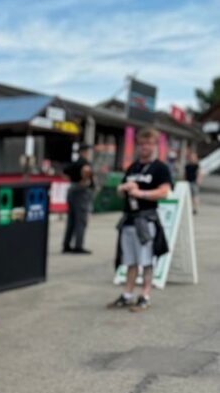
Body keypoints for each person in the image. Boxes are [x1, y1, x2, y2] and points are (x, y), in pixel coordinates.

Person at [108, 128, 172, 312]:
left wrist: (141, 193)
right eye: (142, 143)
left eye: (149, 143)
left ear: (154, 145)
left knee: (146, 261)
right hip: (129, 220)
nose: (145, 147)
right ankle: (127, 294)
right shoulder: (133, 167)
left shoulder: (160, 168)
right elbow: (121, 189)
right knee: (129, 260)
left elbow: (165, 191)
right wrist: (123, 188)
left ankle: (145, 296)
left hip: (146, 221)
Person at [62, 144, 94, 254]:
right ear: (84, 152)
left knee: (71, 220)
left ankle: (66, 244)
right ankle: (78, 245)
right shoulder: (84, 163)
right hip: (81, 192)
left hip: (72, 190)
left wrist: (73, 181)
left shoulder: (74, 163)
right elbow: (86, 171)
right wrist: (85, 182)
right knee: (80, 220)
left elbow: (65, 172)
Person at [184, 150, 201, 214]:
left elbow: (199, 173)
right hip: (188, 182)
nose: (192, 159)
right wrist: (184, 180)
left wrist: (198, 180)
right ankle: (190, 208)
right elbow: (185, 174)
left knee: (195, 195)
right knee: (189, 196)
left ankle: (195, 208)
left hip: (194, 182)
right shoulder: (187, 166)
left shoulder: (196, 165)